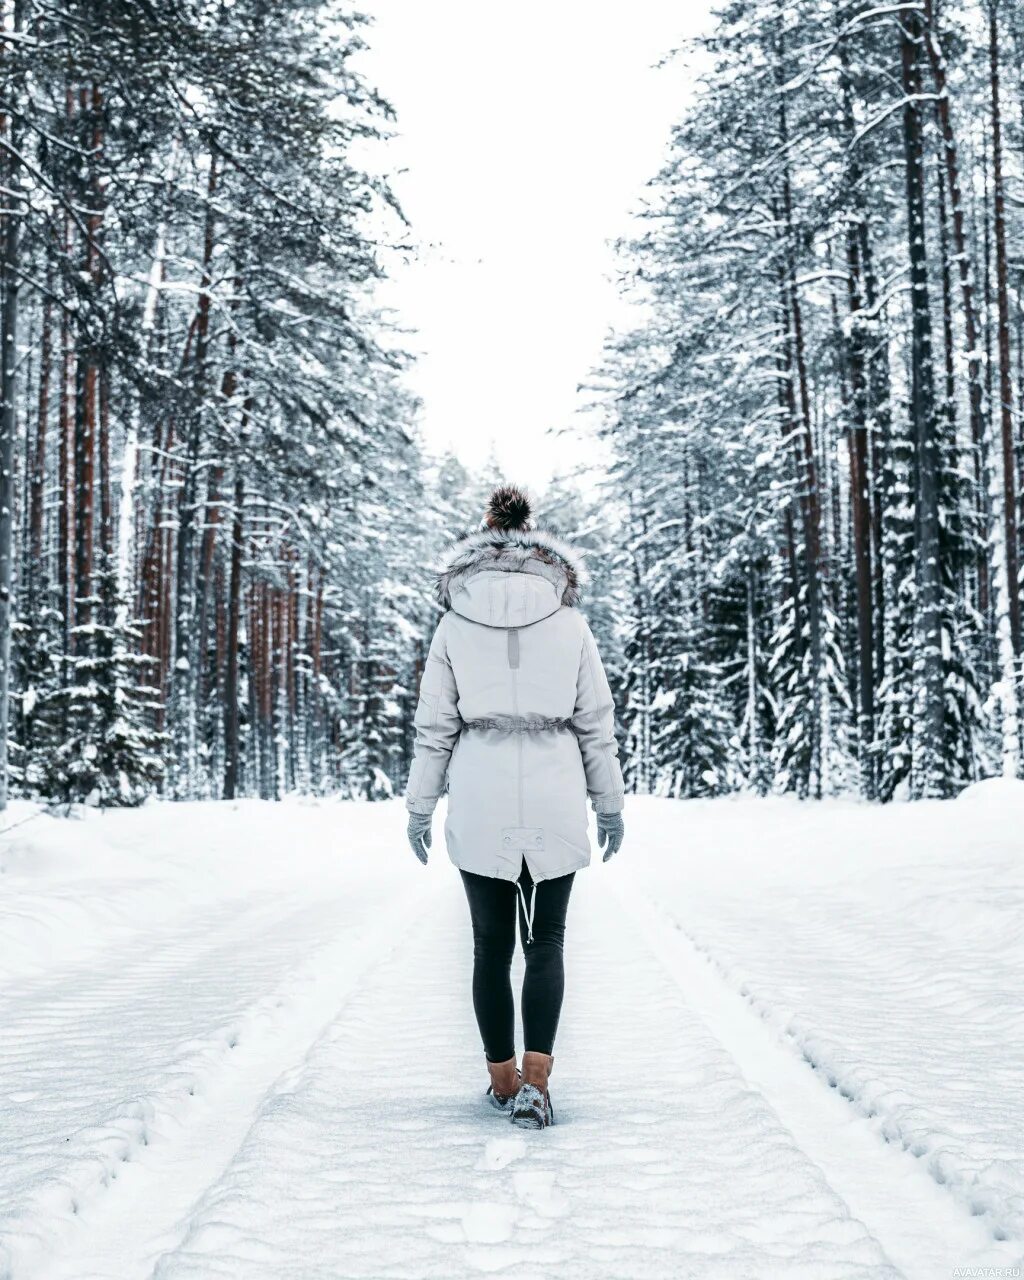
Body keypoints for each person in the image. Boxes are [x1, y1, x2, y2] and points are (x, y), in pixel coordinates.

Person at [404, 483, 625, 1129]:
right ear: (536, 545)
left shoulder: (452, 622)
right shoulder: (570, 622)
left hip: (481, 789)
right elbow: (596, 724)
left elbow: (435, 727)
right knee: (547, 939)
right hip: (556, 785)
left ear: (483, 538)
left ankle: (503, 1083)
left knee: (491, 946)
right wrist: (608, 804)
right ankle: (538, 1082)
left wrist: (420, 808)